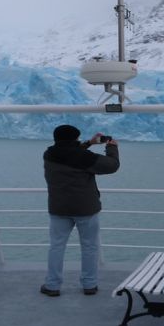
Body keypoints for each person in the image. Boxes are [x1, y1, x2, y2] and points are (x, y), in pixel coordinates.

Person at [40, 124, 120, 297]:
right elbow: (112, 166)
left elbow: (68, 154)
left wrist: (89, 143)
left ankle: (52, 285)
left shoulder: (49, 155)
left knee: (56, 246)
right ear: (74, 139)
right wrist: (112, 148)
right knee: (90, 246)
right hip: (86, 209)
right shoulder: (84, 158)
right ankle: (89, 285)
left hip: (58, 208)